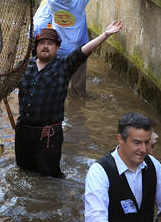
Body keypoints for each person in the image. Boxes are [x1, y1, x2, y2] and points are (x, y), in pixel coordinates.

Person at [15, 21, 123, 177]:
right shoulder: (24, 66)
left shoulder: (63, 66)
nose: (45, 46)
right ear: (36, 47)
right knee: (23, 172)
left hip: (49, 134)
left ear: (57, 48)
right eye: (42, 43)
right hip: (23, 131)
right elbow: (5, 85)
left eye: (50, 43)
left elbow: (81, 52)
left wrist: (104, 35)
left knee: (50, 177)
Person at [33, 0, 104, 95]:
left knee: (56, 89)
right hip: (79, 50)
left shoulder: (52, 0)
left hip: (58, 50)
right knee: (78, 93)